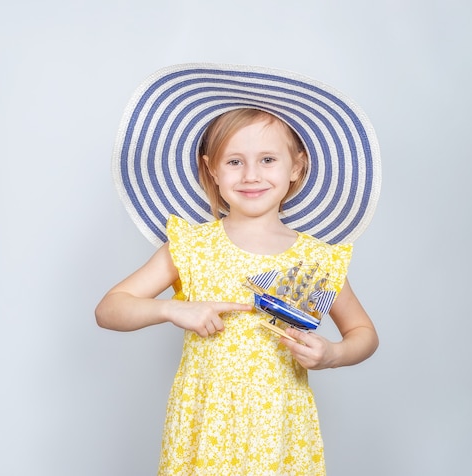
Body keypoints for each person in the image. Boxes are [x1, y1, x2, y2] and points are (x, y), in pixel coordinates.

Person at [96, 64, 382, 475]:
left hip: (280, 431)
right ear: (211, 168)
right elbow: (109, 309)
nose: (251, 175)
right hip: (205, 424)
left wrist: (333, 354)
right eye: (234, 161)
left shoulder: (316, 261)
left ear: (296, 167)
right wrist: (172, 309)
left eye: (268, 159)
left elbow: (364, 334)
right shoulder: (191, 247)